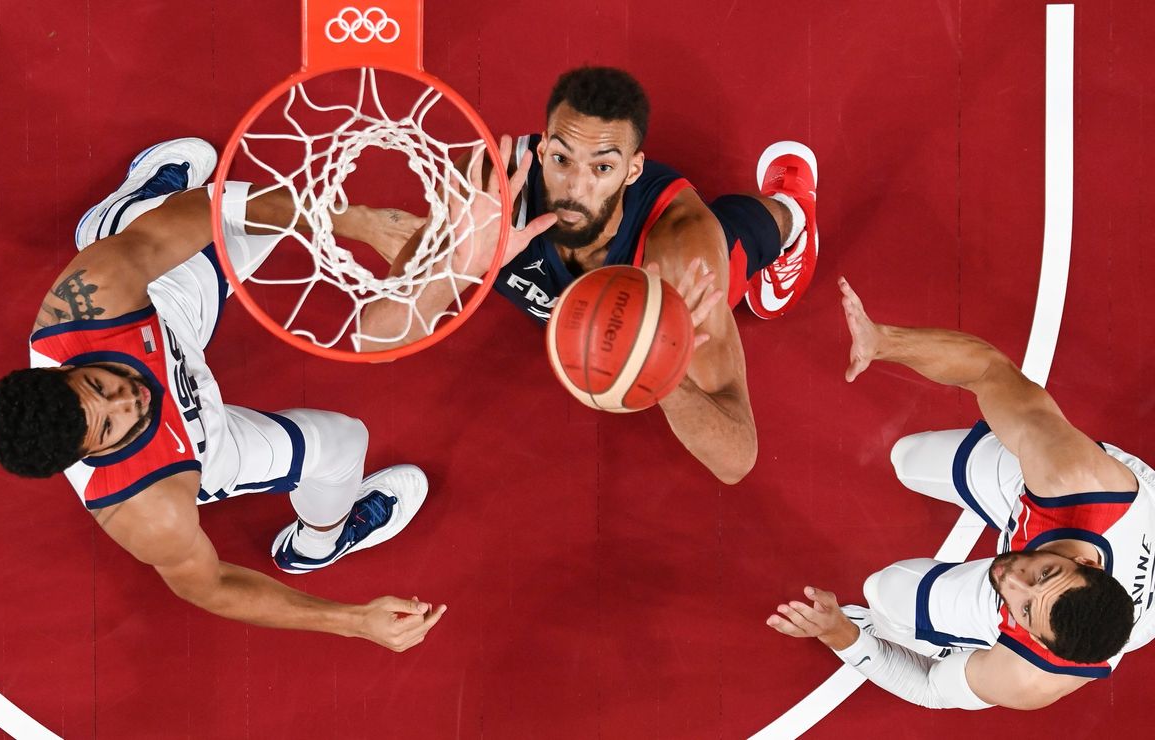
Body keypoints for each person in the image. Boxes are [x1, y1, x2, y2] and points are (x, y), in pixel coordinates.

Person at [0, 137, 543, 649]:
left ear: (62, 367)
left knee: (210, 220)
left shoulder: (89, 302)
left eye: (98, 386)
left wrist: (353, 220)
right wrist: (352, 621)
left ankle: (116, 221)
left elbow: (198, 212)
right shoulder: (146, 506)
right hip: (199, 445)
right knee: (344, 441)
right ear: (88, 453)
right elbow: (212, 587)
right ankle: (319, 543)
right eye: (109, 426)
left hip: (163, 315)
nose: (130, 401)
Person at [384, 67, 820, 484]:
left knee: (737, 237)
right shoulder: (489, 193)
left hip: (685, 267)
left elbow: (737, 459)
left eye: (602, 167)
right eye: (562, 159)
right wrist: (457, 268)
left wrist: (658, 365)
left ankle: (794, 212)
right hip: (577, 283)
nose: (575, 188)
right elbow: (380, 334)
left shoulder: (682, 250)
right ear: (541, 151)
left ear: (633, 170)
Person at [766, 277, 1152, 710]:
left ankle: (948, 620)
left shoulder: (1034, 675)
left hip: (1062, 536)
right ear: (1083, 562)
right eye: (1044, 573)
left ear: (1038, 640)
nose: (1011, 580)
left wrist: (843, 636)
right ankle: (1015, 515)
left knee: (885, 593)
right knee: (908, 458)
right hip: (1084, 505)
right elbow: (988, 370)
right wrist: (884, 341)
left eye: (1024, 611)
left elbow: (931, 688)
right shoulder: (1073, 476)